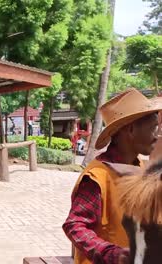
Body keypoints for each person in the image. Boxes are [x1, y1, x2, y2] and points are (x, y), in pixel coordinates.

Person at [62, 88, 162, 264]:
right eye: (154, 128)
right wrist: (110, 253)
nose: (157, 136)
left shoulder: (143, 168)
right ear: (131, 130)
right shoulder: (97, 177)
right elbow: (75, 226)